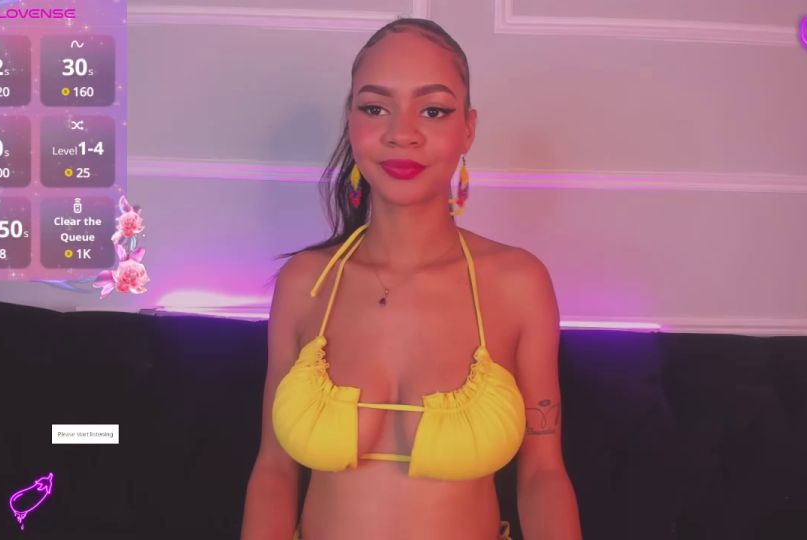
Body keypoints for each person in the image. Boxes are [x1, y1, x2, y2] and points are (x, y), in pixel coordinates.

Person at [241, 17, 581, 540]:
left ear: (468, 128)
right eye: (375, 108)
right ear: (351, 123)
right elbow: (273, 471)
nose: (402, 133)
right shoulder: (306, 284)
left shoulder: (518, 284)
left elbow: (543, 475)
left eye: (433, 110)